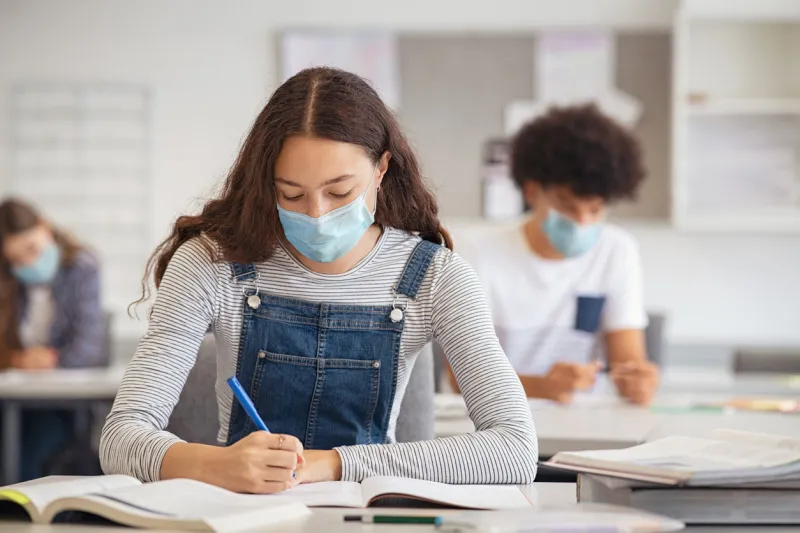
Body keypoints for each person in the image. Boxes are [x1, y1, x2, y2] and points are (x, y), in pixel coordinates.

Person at [100, 67, 537, 493]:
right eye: (291, 194)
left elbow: (515, 449)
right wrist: (215, 465)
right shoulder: (210, 263)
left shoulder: (437, 277)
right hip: (241, 515)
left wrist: (333, 463)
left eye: (340, 192)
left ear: (382, 169)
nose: (317, 214)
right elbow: (120, 438)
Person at [454, 104, 659, 406]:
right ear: (532, 191)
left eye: (595, 209)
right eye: (567, 206)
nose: (582, 222)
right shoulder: (477, 252)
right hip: (497, 423)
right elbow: (461, 378)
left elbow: (627, 363)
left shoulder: (616, 251)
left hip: (584, 425)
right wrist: (541, 386)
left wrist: (639, 382)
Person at [0, 198, 106, 480]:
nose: (28, 263)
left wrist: (50, 360)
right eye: (17, 260)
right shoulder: (9, 281)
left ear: (44, 227)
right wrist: (17, 359)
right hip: (13, 397)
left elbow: (89, 346)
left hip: (59, 402)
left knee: (27, 455)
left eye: (32, 249)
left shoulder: (83, 268)